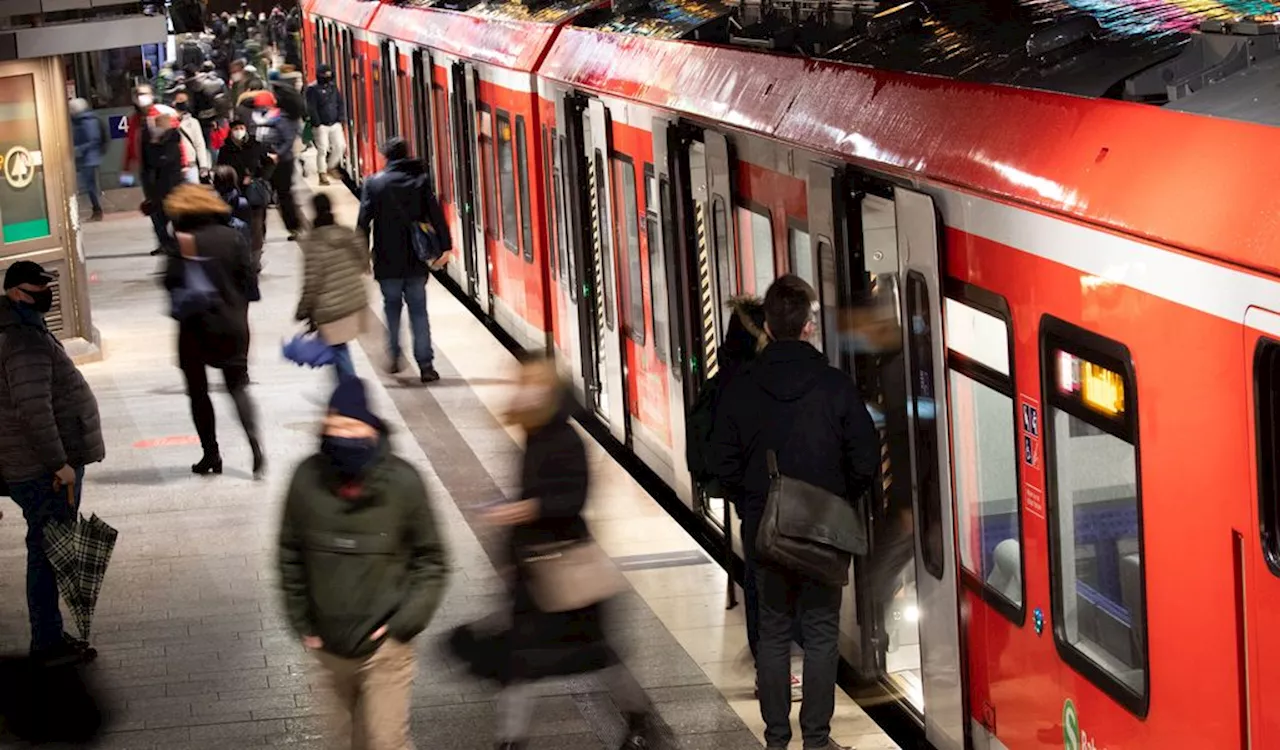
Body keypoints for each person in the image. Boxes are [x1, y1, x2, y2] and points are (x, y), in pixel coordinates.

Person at [710, 275, 878, 750]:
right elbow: (865, 458)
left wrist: (754, 502)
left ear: (767, 323)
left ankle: (777, 738)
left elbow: (722, 462)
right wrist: (838, 496)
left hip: (767, 531)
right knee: (822, 631)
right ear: (808, 326)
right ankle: (818, 740)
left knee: (775, 633)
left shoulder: (742, 387)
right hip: (823, 531)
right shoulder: (835, 386)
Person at [483, 355, 656, 750]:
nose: (522, 391)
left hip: (567, 566)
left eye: (531, 384)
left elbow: (573, 499)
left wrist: (530, 508)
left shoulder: (564, 437)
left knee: (596, 653)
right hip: (536, 566)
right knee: (522, 657)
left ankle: (637, 713)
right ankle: (511, 740)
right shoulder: (536, 431)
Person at [278, 377, 449, 750]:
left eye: (353, 426)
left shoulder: (403, 483)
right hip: (328, 649)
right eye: (336, 425)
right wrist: (302, 622)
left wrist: (402, 625)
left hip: (386, 648)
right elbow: (289, 553)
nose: (344, 435)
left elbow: (432, 560)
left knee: (386, 742)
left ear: (372, 428)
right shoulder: (306, 480)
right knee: (346, 743)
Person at [0, 261, 105, 665]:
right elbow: (34, 411)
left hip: (36, 464)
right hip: (42, 469)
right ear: (14, 293)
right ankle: (46, 643)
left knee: (47, 551)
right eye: (35, 287)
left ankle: (50, 634)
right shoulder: (22, 340)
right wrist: (59, 463)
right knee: (45, 553)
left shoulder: (26, 331)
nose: (45, 293)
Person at [162, 183, 263, 479]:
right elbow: (250, 284)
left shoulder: (182, 241)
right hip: (233, 325)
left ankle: (211, 454)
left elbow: (170, 282)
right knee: (238, 387)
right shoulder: (233, 237)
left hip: (194, 327)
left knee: (198, 392)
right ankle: (256, 447)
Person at [357, 137, 450, 383]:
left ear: (386, 157)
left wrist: (362, 255)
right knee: (419, 312)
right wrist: (445, 248)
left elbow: (363, 223)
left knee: (392, 309)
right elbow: (436, 216)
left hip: (387, 259)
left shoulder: (374, 184)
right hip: (415, 258)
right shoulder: (419, 181)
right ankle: (426, 365)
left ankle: (395, 354)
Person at [296, 193, 369, 383]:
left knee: (338, 349)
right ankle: (345, 393)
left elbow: (312, 281)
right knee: (338, 348)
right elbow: (363, 262)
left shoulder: (314, 242)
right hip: (353, 301)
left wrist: (303, 309)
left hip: (330, 307)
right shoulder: (347, 233)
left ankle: (351, 394)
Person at [121, 85, 181, 254]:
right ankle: (163, 241)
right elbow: (131, 144)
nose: (141, 98)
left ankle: (176, 240)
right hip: (146, 169)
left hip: (166, 170)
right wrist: (127, 167)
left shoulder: (161, 114)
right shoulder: (134, 119)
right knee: (154, 207)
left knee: (170, 206)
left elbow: (174, 142)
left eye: (144, 94)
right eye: (138, 94)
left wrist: (183, 164)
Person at [216, 118, 271, 273]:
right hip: (235, 195)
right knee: (238, 227)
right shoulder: (225, 150)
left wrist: (258, 178)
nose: (239, 131)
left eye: (241, 127)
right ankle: (241, 257)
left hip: (255, 195)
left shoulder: (255, 145)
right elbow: (221, 172)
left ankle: (255, 260)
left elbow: (267, 163)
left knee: (257, 228)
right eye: (236, 128)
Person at [306, 64, 345, 185]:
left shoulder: (333, 88)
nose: (328, 77)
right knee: (322, 149)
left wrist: (340, 117)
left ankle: (330, 167)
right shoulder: (312, 89)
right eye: (325, 74)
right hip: (321, 125)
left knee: (341, 146)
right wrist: (317, 123)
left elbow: (339, 102)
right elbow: (311, 107)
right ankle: (322, 174)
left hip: (335, 123)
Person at [68, 98, 106, 221]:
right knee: (89, 185)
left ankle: (97, 210)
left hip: (89, 158)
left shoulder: (87, 121)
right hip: (86, 158)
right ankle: (96, 209)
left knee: (90, 186)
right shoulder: (80, 121)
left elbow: (92, 140)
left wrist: (77, 149)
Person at [170, 88, 210, 184]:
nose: (182, 104)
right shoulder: (168, 121)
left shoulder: (193, 122)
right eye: (179, 101)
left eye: (184, 101)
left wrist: (203, 166)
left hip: (190, 166)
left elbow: (199, 144)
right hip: (174, 167)